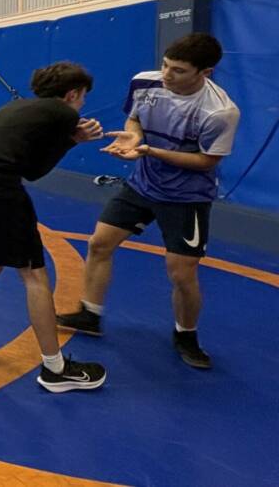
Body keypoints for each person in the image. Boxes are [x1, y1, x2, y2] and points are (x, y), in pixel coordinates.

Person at [57, 34, 239, 370]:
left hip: (186, 196)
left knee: (181, 273)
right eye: (166, 65)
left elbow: (207, 161)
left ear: (205, 73)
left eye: (178, 70)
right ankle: (90, 314)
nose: (167, 74)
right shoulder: (145, 82)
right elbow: (135, 118)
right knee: (99, 244)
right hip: (142, 185)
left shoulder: (220, 112)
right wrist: (135, 136)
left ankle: (186, 334)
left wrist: (150, 151)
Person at [0, 62, 107, 393]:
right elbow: (35, 170)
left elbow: (32, 169)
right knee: (34, 275)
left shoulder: (19, 107)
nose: (82, 105)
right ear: (72, 94)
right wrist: (77, 136)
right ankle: (55, 368)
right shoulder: (62, 113)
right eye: (82, 98)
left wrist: (70, 141)